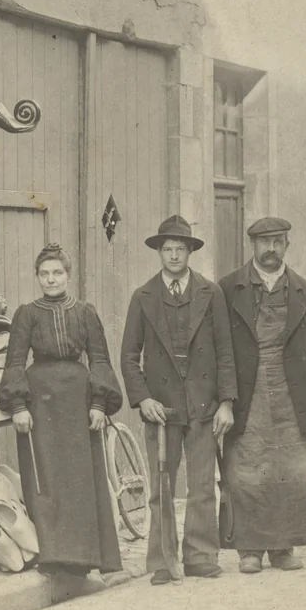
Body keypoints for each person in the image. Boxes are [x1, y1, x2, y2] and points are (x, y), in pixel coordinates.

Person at [120, 215, 237, 585]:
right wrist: (142, 400)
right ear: (159, 253)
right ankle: (162, 561)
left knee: (202, 484)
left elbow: (225, 351)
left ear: (190, 252)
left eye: (180, 249)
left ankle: (201, 556)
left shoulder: (211, 293)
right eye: (167, 249)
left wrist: (227, 402)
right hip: (162, 408)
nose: (173, 255)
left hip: (203, 405)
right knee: (161, 488)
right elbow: (128, 356)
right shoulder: (143, 296)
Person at [0, 243, 124, 579]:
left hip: (78, 402)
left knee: (81, 479)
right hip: (41, 403)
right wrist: (19, 406)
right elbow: (14, 361)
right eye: (44, 273)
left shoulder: (86, 312)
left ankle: (83, 558)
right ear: (37, 276)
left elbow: (100, 360)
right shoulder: (27, 314)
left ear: (68, 275)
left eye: (57, 273)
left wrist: (98, 403)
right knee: (47, 477)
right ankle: (54, 556)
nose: (51, 279)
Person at [217, 217, 306, 574]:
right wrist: (223, 398)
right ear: (252, 246)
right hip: (246, 392)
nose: (271, 249)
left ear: (286, 245)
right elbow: (220, 349)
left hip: (289, 392)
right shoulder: (228, 289)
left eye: (277, 242)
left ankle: (283, 547)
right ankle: (249, 549)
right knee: (246, 472)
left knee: (289, 471)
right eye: (264, 242)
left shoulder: (302, 291)